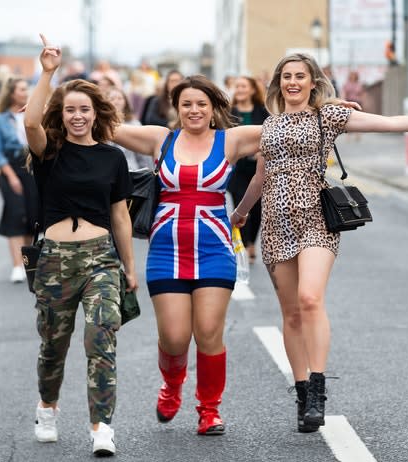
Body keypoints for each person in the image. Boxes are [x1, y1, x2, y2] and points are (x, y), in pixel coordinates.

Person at [230, 53, 408, 434]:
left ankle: (317, 390)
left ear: (313, 82)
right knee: (291, 314)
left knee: (311, 299)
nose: (293, 82)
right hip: (276, 226)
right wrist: (242, 213)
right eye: (287, 77)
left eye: (301, 76)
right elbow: (261, 177)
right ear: (278, 84)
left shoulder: (328, 116)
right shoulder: (268, 125)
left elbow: (388, 123)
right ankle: (300, 392)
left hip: (315, 220)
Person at [111, 74, 277, 436]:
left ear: (214, 107)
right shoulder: (161, 138)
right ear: (176, 107)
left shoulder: (231, 139)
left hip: (215, 249)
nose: (194, 110)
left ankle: (209, 410)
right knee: (173, 338)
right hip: (166, 252)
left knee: (208, 333)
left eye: (201, 103)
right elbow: (101, 125)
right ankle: (171, 386)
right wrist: (46, 103)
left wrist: (328, 110)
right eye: (186, 103)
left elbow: (292, 128)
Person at [24, 34, 137, 457]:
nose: (76, 116)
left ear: (96, 113)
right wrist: (48, 72)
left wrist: (129, 267)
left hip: (100, 260)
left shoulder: (112, 158)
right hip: (54, 261)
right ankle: (47, 407)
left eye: (83, 110)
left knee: (101, 339)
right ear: (63, 113)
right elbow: (32, 122)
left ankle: (101, 427)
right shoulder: (48, 151)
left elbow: (121, 216)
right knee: (54, 344)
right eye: (70, 110)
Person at [0, 76, 39, 283]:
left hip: (33, 170)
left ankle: (29, 264)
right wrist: (11, 177)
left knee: (32, 218)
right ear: (11, 93)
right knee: (16, 215)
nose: (25, 93)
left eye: (26, 89)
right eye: (21, 89)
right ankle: (17, 265)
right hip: (11, 170)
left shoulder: (32, 115)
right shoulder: (0, 120)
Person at [227, 76, 269, 263]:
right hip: (237, 170)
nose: (240, 89)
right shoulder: (229, 113)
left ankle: (252, 241)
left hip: (259, 168)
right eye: (238, 86)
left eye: (244, 86)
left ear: (252, 90)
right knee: (241, 206)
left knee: (258, 208)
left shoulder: (263, 112)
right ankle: (244, 245)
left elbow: (269, 136)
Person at [107, 87, 153, 170]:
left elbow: (142, 152)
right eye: (112, 99)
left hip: (132, 170)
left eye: (120, 98)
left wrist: (147, 172)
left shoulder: (135, 124)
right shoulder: (102, 124)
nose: (116, 102)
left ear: (125, 102)